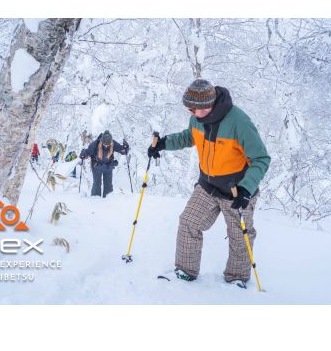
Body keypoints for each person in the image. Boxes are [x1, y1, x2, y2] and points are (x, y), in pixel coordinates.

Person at [148, 79, 271, 288]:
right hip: (207, 185)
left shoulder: (239, 122)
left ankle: (237, 278)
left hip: (236, 190)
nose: (191, 113)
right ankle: (185, 271)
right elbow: (189, 137)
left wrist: (246, 189)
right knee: (189, 222)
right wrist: (164, 143)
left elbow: (261, 159)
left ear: (208, 105)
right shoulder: (197, 118)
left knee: (240, 236)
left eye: (194, 109)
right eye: (189, 109)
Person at [80, 130, 129, 197]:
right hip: (97, 166)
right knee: (97, 184)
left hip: (108, 166)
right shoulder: (96, 143)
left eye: (108, 145)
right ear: (101, 141)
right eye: (104, 144)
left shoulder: (113, 143)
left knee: (108, 184)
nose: (106, 146)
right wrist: (84, 154)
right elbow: (88, 151)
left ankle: (108, 199)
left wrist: (125, 147)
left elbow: (122, 150)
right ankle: (95, 199)